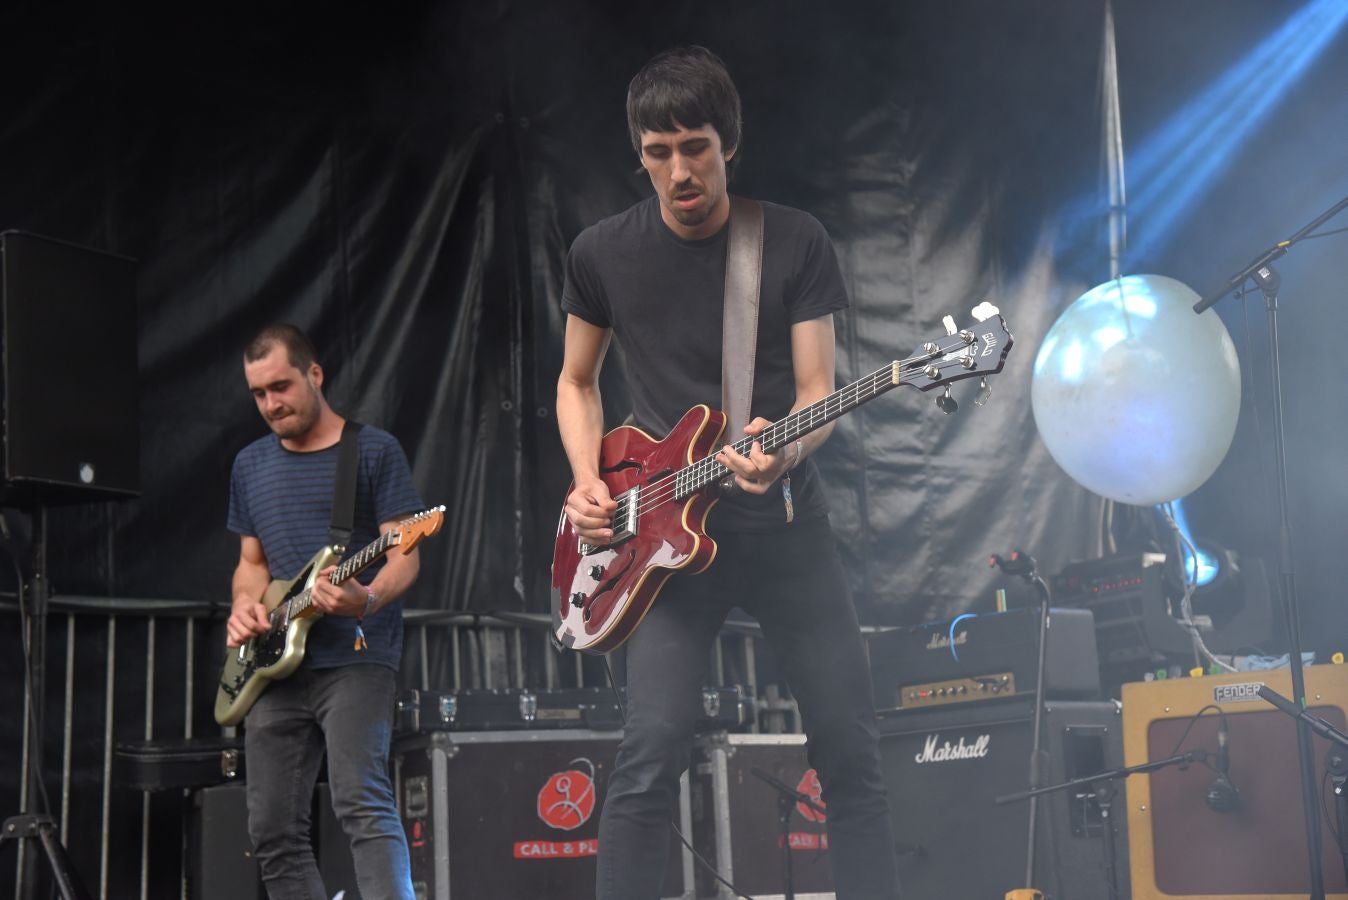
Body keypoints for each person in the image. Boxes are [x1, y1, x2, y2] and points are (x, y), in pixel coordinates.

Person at [557, 46, 902, 900]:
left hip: (783, 526)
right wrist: (588, 480)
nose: (679, 171)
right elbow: (575, 382)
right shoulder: (601, 253)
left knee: (850, 753)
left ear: (729, 144)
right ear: (639, 154)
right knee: (648, 754)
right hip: (662, 541)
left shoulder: (792, 240)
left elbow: (818, 391)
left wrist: (786, 450)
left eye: (696, 147)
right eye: (659, 152)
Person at [225, 323, 422, 900]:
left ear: (314, 374)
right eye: (258, 393)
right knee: (272, 830)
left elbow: (405, 554)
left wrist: (368, 598)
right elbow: (252, 563)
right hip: (273, 665)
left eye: (280, 386)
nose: (270, 404)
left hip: (355, 656)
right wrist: (243, 604)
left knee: (362, 803)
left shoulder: (373, 450)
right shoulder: (249, 465)